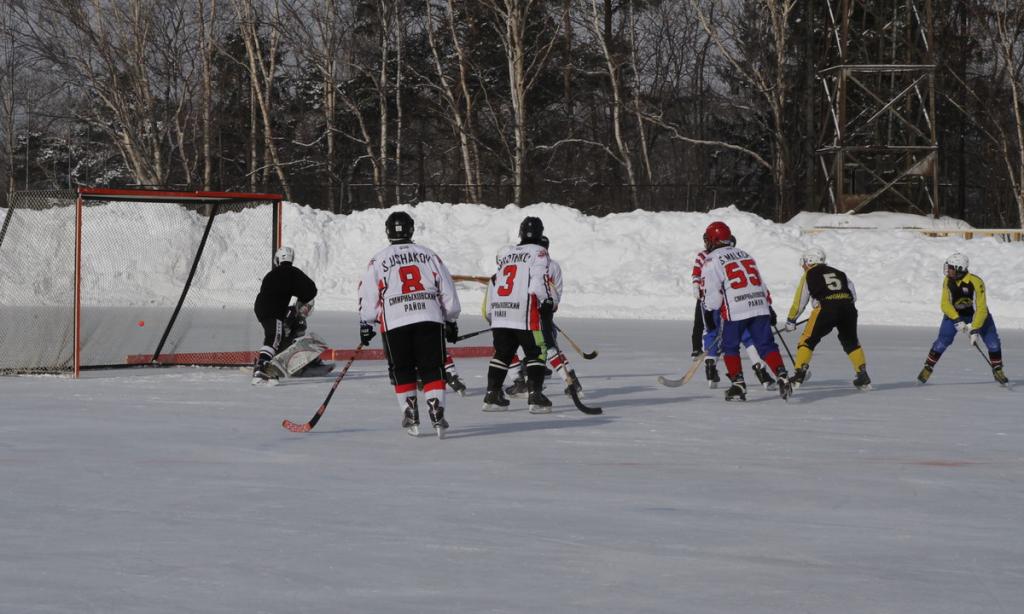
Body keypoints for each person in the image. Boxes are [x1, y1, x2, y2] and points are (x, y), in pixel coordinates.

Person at [358, 211, 462, 438]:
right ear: (411, 230)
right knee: (433, 366)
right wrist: (451, 318)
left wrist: (367, 322)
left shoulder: (378, 259)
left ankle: (410, 413)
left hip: (395, 321)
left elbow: (368, 296)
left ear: (387, 231)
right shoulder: (429, 254)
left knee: (401, 368)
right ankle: (436, 411)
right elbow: (447, 290)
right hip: (429, 318)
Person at [701, 221, 792, 401]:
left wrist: (709, 311)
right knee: (766, 345)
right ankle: (781, 374)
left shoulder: (711, 259)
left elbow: (712, 292)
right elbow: (760, 282)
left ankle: (738, 384)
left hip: (736, 308)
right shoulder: (745, 254)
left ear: (714, 239)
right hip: (759, 304)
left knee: (730, 346)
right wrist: (769, 306)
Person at [483, 216, 554, 413]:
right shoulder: (539, 252)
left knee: (503, 353)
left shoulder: (508, 253)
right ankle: (535, 396)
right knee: (537, 351)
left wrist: (493, 314)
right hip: (523, 312)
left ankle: (492, 394)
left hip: (501, 311)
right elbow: (539, 280)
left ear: (521, 233)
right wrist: (547, 301)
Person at [505, 235, 583, 399]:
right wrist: (550, 310)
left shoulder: (530, 263)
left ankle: (526, 383)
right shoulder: (554, 265)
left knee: (524, 345)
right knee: (550, 347)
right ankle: (572, 381)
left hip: (530, 313)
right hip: (545, 312)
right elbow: (557, 291)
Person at [695, 235, 777, 390]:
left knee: (712, 333)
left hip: (713, 300)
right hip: (733, 301)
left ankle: (711, 369)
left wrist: (700, 296)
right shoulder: (735, 255)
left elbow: (697, 278)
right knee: (746, 335)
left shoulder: (705, 255)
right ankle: (762, 373)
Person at [783, 247, 871, 390]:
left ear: (811, 261)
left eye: (804, 262)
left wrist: (791, 320)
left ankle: (799, 374)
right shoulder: (840, 273)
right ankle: (863, 375)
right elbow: (853, 295)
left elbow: (800, 301)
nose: (803, 266)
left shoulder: (809, 274)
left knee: (807, 340)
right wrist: (839, 304)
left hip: (826, 309)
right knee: (851, 341)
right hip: (848, 309)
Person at [917, 253, 1008, 386]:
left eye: (951, 268)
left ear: (960, 269)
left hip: (977, 315)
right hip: (955, 314)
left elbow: (981, 308)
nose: (948, 270)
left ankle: (998, 370)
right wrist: (956, 319)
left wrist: (974, 329)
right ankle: (928, 367)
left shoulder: (976, 282)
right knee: (943, 341)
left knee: (993, 342)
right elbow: (945, 304)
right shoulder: (948, 280)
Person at [252, 246, 318, 385]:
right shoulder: (292, 273)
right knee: (274, 337)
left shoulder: (271, 274)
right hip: (273, 310)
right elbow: (311, 290)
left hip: (261, 308)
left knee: (275, 335)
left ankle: (269, 363)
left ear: (277, 259)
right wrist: (300, 303)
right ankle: (261, 368)